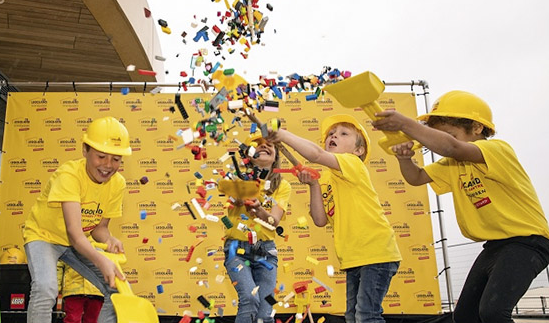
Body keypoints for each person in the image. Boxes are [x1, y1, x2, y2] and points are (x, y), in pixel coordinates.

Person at [372, 91, 549, 323]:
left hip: (528, 242)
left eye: (449, 134)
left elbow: (451, 148)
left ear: (476, 127)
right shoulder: (453, 164)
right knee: (465, 316)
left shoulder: (497, 150)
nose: (437, 143)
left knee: (494, 312)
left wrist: (405, 123)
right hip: (495, 246)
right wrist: (405, 159)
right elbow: (416, 177)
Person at [268, 114, 401, 323]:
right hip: (354, 257)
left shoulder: (352, 164)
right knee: (352, 317)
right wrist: (314, 185)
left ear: (358, 151)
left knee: (367, 315)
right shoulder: (330, 178)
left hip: (376, 252)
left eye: (343, 133)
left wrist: (281, 134)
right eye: (331, 133)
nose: (333, 136)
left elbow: (315, 154)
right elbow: (320, 220)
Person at [23, 116, 131, 323]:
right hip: (44, 237)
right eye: (101, 156)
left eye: (116, 159)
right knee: (46, 288)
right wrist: (102, 260)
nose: (108, 165)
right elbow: (75, 233)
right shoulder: (69, 175)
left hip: (78, 242)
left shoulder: (118, 184)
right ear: (85, 150)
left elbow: (100, 228)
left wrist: (109, 241)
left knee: (115, 286)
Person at [223, 136, 291, 323]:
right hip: (236, 250)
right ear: (249, 155)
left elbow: (273, 221)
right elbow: (234, 200)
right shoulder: (238, 177)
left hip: (266, 252)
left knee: (265, 312)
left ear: (276, 156)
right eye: (258, 144)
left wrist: (259, 209)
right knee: (250, 299)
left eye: (269, 145)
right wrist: (241, 196)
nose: (264, 146)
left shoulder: (282, 186)